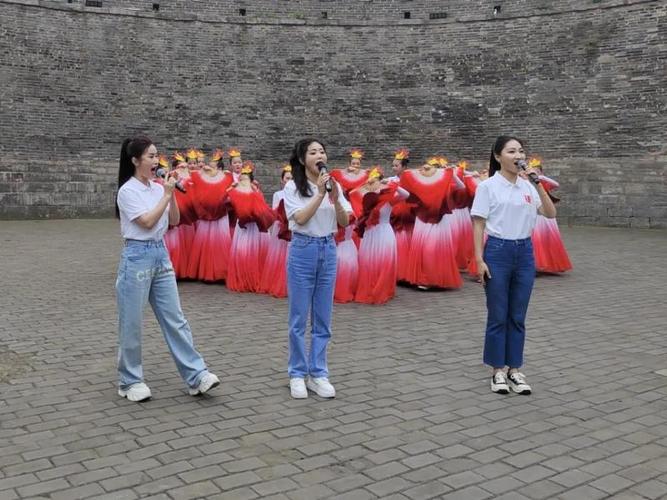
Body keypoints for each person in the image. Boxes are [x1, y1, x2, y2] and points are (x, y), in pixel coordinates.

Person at [114, 135, 220, 402]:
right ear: (136, 160)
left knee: (175, 318)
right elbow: (147, 222)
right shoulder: (127, 191)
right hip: (137, 256)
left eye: (156, 155)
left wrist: (169, 194)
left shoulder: (158, 187)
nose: (155, 161)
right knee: (132, 322)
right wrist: (167, 193)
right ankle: (130, 380)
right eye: (150, 156)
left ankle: (196, 375)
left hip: (161, 254)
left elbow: (173, 220)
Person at [471, 136, 557, 396]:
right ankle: (497, 370)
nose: (518, 155)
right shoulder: (488, 187)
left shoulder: (528, 186)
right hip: (498, 251)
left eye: (521, 151)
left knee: (517, 316)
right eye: (511, 151)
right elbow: (478, 224)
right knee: (498, 315)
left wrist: (538, 182)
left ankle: (514, 369)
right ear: (498, 156)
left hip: (525, 253)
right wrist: (479, 259)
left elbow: (551, 214)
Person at [283, 138, 353, 399]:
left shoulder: (334, 185)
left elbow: (345, 221)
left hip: (328, 248)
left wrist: (334, 198)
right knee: (299, 317)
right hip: (303, 249)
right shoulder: (293, 188)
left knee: (323, 317)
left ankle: (319, 372)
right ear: (303, 160)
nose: (319, 155)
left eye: (322, 151)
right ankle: (297, 373)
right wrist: (320, 194)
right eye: (313, 152)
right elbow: (299, 218)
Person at [352, 167, 408, 304]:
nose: (372, 182)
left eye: (375, 180)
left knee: (383, 261)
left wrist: (392, 185)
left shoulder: (388, 197)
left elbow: (406, 195)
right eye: (370, 180)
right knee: (367, 261)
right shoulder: (364, 197)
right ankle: (369, 288)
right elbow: (352, 192)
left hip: (384, 232)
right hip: (370, 233)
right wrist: (364, 185)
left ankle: (382, 289)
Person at [529, 157, 573, 273]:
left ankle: (553, 264)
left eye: (537, 170)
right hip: (536, 214)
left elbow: (556, 184)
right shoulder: (527, 182)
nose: (535, 172)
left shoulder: (543, 181)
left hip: (548, 215)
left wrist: (540, 177)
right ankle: (535, 265)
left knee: (550, 239)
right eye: (533, 169)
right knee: (536, 240)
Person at [259, 164, 293, 298]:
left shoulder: (297, 194)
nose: (289, 181)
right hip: (280, 226)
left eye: (291, 179)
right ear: (282, 180)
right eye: (287, 178)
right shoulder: (278, 194)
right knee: (279, 256)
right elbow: (274, 211)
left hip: (292, 226)